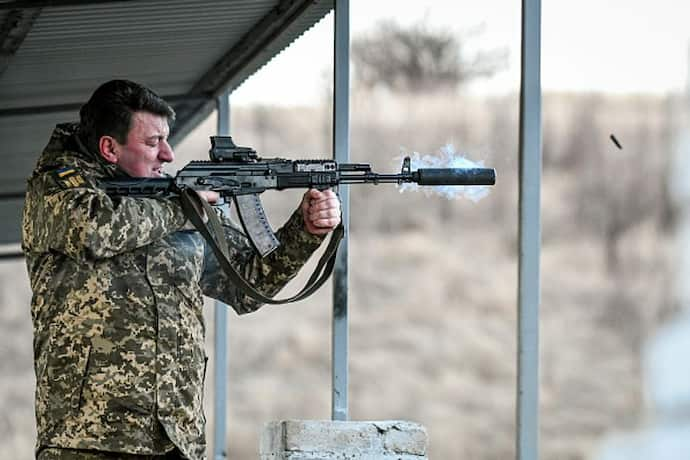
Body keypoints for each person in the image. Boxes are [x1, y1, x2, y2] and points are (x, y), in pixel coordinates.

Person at [21, 80, 341, 460]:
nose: (169, 155)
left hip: (176, 438)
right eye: (153, 142)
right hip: (90, 440)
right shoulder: (57, 189)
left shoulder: (174, 201)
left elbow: (249, 283)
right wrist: (185, 208)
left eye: (167, 140)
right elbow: (94, 230)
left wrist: (304, 230)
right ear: (109, 147)